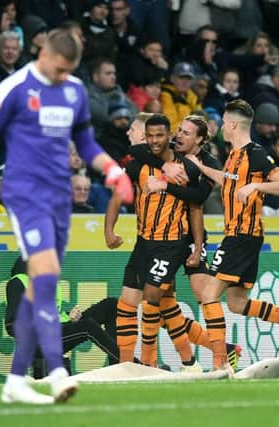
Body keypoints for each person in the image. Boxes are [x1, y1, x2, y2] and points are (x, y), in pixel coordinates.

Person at [0, 30, 133, 404]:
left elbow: (87, 144)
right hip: (23, 191)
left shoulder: (74, 90)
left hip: (57, 197)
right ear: (43, 54)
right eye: (60, 69)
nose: (64, 77)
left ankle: (16, 380)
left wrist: (112, 170)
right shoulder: (13, 88)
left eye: (70, 71)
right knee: (43, 275)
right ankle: (58, 373)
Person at [186, 99, 279, 371]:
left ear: (234, 124)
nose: (222, 127)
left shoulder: (255, 153)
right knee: (237, 304)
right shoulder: (235, 156)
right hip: (243, 236)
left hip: (242, 235)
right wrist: (201, 167)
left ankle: (220, 363)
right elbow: (229, 180)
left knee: (209, 295)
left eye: (225, 123)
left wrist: (256, 187)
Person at [105, 114, 202, 370]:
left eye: (161, 135)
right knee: (127, 302)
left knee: (151, 297)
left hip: (172, 244)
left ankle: (148, 363)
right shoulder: (138, 165)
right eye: (151, 136)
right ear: (145, 138)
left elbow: (196, 207)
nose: (156, 140)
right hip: (144, 242)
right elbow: (117, 195)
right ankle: (127, 365)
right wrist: (108, 230)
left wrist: (199, 247)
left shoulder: (186, 167)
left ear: (170, 136)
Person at [4, 256, 119, 376]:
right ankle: (126, 362)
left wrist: (70, 317)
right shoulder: (19, 281)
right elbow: (12, 324)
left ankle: (119, 367)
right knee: (87, 326)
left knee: (110, 305)